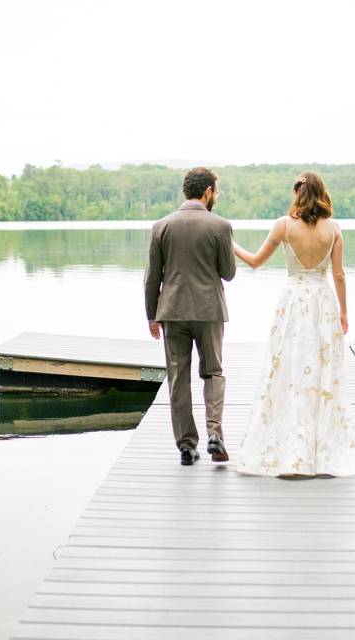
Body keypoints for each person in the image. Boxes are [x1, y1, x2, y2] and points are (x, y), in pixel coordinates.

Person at [232, 171, 355, 477]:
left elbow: (255, 261)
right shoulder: (334, 229)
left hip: (294, 302)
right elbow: (338, 275)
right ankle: (318, 450)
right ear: (322, 193)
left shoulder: (284, 225)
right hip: (323, 303)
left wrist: (230, 245)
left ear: (298, 193)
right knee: (323, 373)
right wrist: (345, 312)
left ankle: (292, 447)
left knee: (288, 369)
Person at [144, 167, 236, 466]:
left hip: (171, 312)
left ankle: (186, 446)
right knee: (213, 372)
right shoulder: (220, 226)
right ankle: (215, 434)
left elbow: (151, 278)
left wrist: (152, 316)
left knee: (178, 378)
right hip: (209, 311)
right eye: (216, 191)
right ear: (208, 191)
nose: (217, 196)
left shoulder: (161, 226)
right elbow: (229, 273)